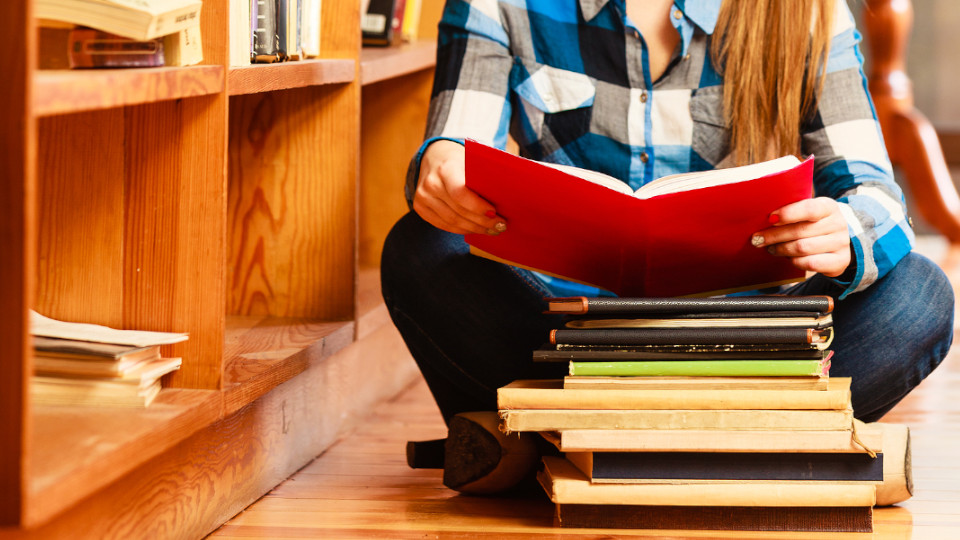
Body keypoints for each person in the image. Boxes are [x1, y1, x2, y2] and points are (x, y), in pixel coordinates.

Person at [381, 0, 953, 456]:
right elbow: (454, 150)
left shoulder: (807, 10)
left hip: (749, 348)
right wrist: (439, 174)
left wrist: (847, 231)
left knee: (920, 293)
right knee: (420, 248)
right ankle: (734, 449)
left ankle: (553, 443)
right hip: (563, 344)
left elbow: (874, 194)